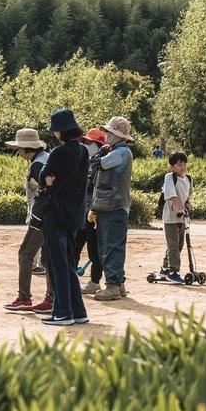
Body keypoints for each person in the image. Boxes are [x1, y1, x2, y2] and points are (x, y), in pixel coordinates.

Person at [38, 108, 91, 327]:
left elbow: (45, 177)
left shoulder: (59, 153)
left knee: (57, 264)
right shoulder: (84, 151)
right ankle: (78, 311)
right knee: (68, 264)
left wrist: (46, 179)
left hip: (56, 214)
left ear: (60, 131)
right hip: (75, 215)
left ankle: (63, 312)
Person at [3, 128, 52, 314]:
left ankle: (24, 297)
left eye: (19, 148)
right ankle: (51, 298)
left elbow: (45, 193)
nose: (18, 152)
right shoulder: (45, 158)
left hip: (42, 217)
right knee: (48, 258)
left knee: (25, 253)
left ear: (25, 148)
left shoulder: (37, 165)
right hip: (50, 217)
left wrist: (37, 217)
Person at [90, 116, 135, 301]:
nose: (106, 135)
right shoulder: (116, 151)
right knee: (109, 246)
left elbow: (100, 163)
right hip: (108, 206)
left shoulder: (121, 153)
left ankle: (113, 286)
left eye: (109, 132)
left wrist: (99, 155)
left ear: (118, 135)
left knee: (111, 247)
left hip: (114, 206)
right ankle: (119, 283)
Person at [77, 127, 105, 293]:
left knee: (94, 250)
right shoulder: (85, 162)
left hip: (94, 212)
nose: (86, 145)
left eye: (89, 142)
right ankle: (72, 277)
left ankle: (94, 282)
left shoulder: (102, 164)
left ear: (98, 145)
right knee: (75, 247)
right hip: (80, 212)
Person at [160, 152, 193, 277]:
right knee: (173, 245)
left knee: (179, 245)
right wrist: (178, 208)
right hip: (170, 217)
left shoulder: (189, 179)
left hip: (182, 218)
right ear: (172, 166)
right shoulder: (169, 177)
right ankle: (173, 271)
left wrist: (188, 206)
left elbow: (188, 197)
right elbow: (172, 196)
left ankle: (164, 269)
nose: (182, 167)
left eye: (184, 164)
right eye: (179, 165)